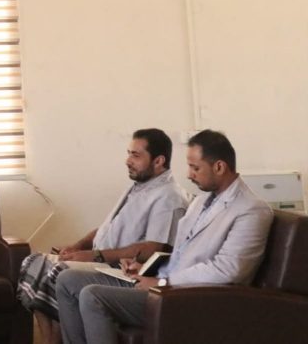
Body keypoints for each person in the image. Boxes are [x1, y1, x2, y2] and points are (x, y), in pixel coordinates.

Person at [55, 129, 274, 344]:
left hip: (189, 297)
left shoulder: (251, 210)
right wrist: (146, 268)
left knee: (93, 296)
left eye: (195, 167)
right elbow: (181, 253)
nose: (189, 174)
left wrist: (163, 281)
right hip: (164, 284)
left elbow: (228, 270)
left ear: (219, 167)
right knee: (67, 280)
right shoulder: (201, 201)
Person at [18, 128, 189, 342]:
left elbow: (153, 249)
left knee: (57, 271)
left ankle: (55, 339)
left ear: (158, 161)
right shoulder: (139, 186)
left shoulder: (169, 197)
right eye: (129, 153)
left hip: (118, 268)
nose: (128, 161)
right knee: (33, 262)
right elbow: (107, 227)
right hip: (100, 258)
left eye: (136, 155)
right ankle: (50, 339)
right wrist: (79, 245)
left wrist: (95, 256)